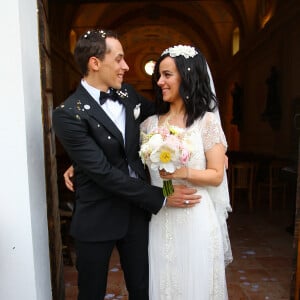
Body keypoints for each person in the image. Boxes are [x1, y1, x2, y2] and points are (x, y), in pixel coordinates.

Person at [52, 29, 201, 300]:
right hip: (97, 217)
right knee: (91, 294)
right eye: (119, 59)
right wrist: (162, 197)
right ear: (95, 63)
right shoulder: (66, 114)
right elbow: (104, 173)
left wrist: (205, 141)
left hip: (136, 216)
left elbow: (165, 118)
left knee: (143, 290)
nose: (126, 66)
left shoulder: (128, 95)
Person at [140, 45, 233, 299]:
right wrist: (169, 191)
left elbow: (216, 175)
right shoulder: (149, 125)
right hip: (164, 217)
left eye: (167, 75)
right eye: (159, 75)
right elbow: (159, 177)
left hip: (197, 217)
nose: (160, 82)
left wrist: (186, 171)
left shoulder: (206, 122)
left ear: (187, 75)